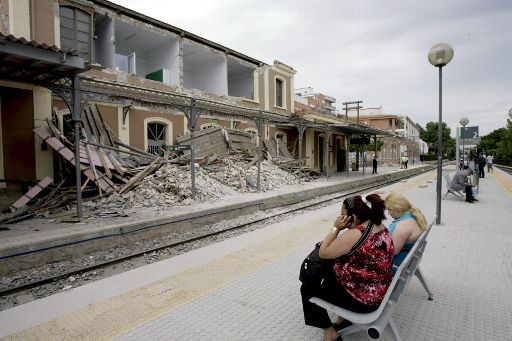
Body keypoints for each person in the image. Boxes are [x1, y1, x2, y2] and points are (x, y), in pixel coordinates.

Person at [300, 195, 394, 341]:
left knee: (307, 288)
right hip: (378, 289)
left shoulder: (356, 234)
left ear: (354, 216)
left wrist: (336, 228)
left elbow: (323, 253)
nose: (341, 218)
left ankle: (330, 334)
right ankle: (342, 320)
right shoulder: (379, 226)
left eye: (344, 215)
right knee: (327, 270)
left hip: (363, 300)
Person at [384, 192, 428, 268]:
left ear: (397, 209)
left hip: (394, 264)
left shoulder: (402, 226)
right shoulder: (414, 216)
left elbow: (393, 252)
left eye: (389, 209)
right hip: (406, 258)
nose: (388, 213)